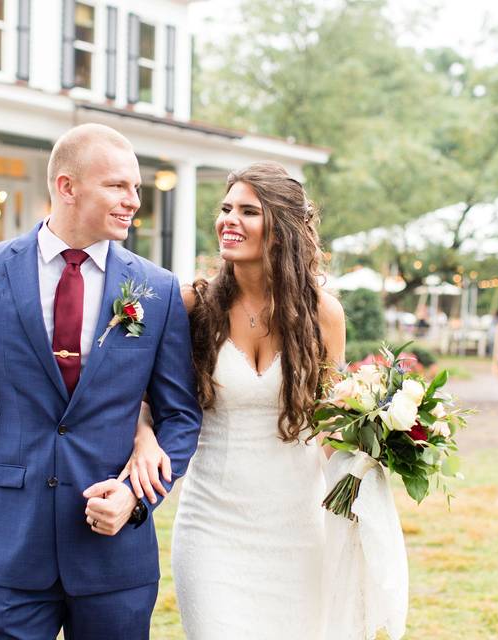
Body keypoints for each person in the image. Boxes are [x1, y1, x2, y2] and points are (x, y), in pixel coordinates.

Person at [0, 123, 201, 638]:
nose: (133, 201)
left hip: (115, 554)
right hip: (11, 546)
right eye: (117, 186)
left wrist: (137, 497)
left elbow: (181, 416)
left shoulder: (156, 291)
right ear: (67, 187)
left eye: (136, 188)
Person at [124, 162, 346, 639]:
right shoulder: (191, 306)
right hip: (212, 527)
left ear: (282, 229)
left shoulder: (323, 313)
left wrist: (377, 442)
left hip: (299, 527)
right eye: (226, 208)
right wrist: (143, 437)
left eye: (248, 211)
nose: (229, 220)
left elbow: (330, 422)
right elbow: (134, 397)